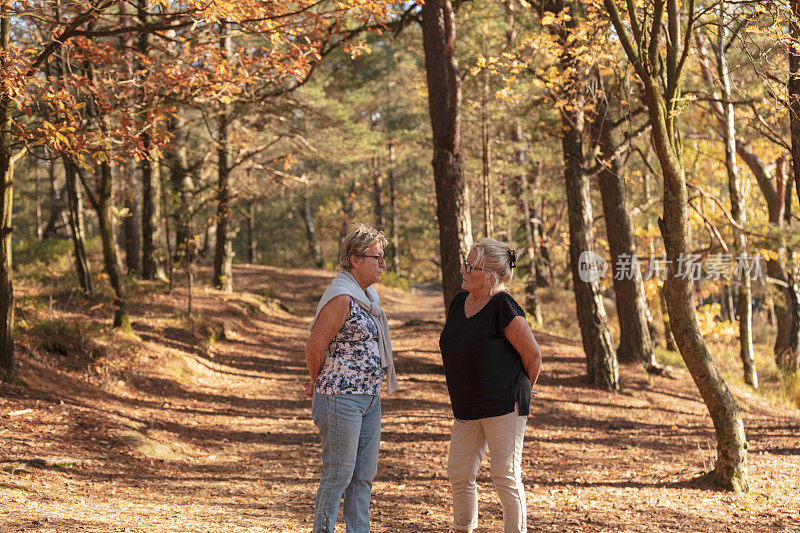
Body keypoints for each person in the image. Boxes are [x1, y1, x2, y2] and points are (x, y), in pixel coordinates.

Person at [439, 237, 543, 533]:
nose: (462, 269)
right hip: (467, 407)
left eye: (470, 266)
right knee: (459, 473)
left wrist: (525, 388)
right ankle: (463, 528)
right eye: (464, 263)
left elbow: (533, 355)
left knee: (505, 476)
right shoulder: (459, 302)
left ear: (489, 277)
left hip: (504, 404)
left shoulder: (503, 305)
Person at [304, 224, 398, 533]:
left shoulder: (368, 296)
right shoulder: (341, 297)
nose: (382, 264)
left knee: (363, 476)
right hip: (340, 398)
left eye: (383, 257)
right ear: (354, 259)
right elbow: (315, 345)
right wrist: (319, 380)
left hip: (369, 398)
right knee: (339, 474)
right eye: (377, 257)